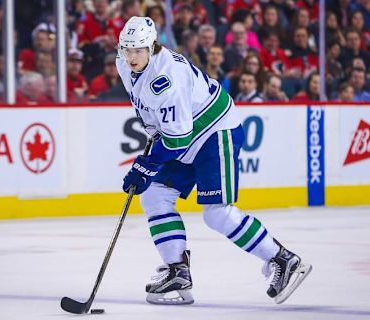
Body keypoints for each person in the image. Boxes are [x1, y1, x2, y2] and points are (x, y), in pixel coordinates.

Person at [116, 16, 312, 306]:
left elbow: (177, 140)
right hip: (182, 131)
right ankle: (177, 271)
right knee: (155, 196)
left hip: (214, 130)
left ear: (153, 46)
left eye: (138, 49)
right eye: (126, 49)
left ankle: (283, 260)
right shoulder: (124, 64)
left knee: (217, 213)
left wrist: (146, 166)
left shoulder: (167, 79)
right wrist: (151, 142)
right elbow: (157, 118)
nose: (131, 56)